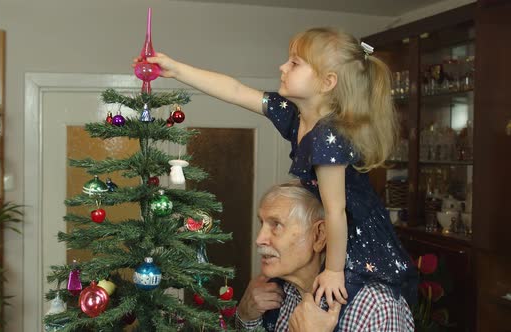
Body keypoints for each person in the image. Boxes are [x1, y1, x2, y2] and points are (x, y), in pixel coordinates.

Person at [134, 27, 417, 310]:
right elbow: (234, 91)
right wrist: (176, 69)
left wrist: (333, 271)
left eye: (294, 63)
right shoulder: (295, 116)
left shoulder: (327, 137)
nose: (282, 67)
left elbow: (336, 211)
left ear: (327, 82)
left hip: (356, 241)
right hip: (331, 234)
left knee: (338, 305)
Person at [235, 182, 414, 331]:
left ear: (319, 236)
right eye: (262, 223)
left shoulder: (374, 307)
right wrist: (246, 316)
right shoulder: (278, 292)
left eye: (276, 225)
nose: (259, 239)